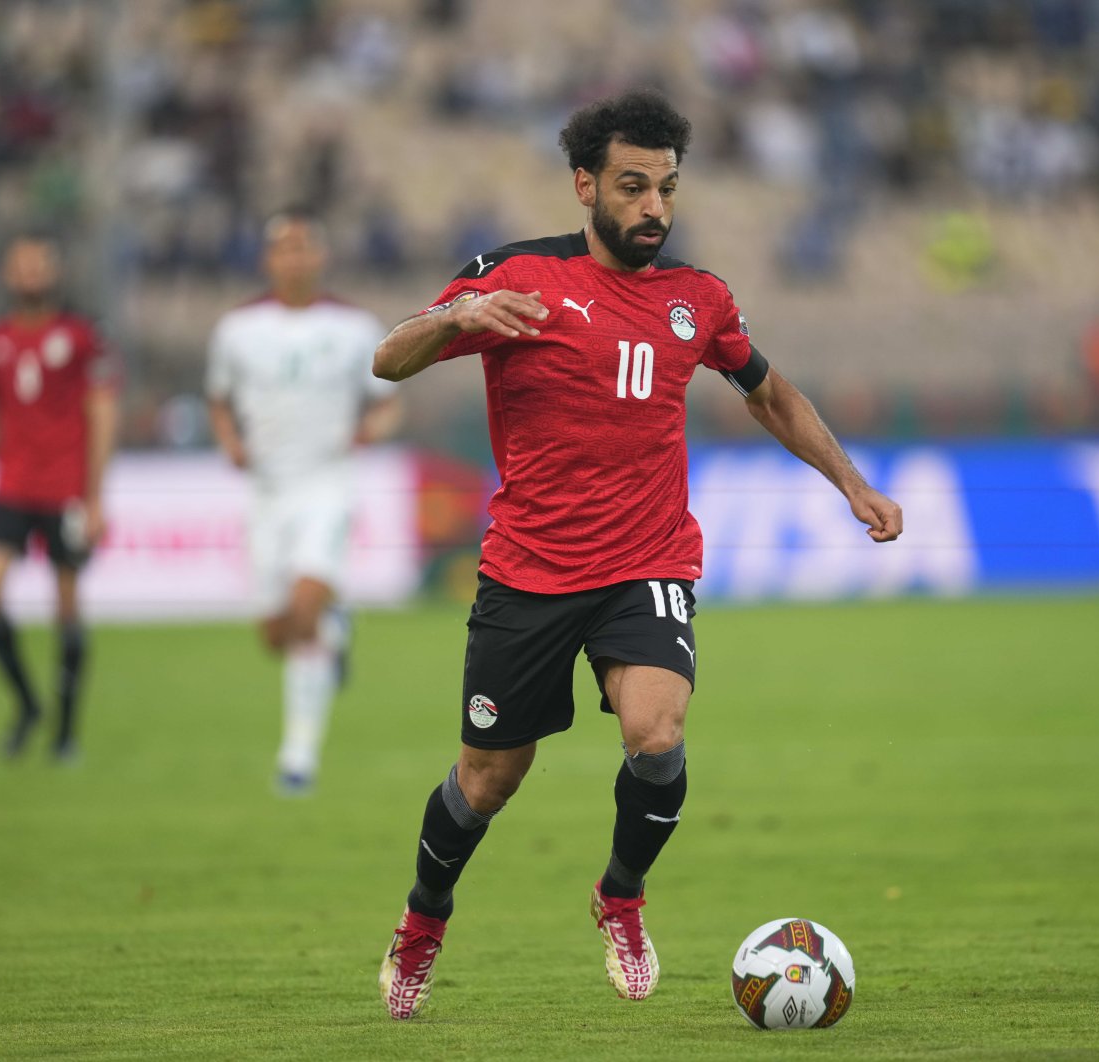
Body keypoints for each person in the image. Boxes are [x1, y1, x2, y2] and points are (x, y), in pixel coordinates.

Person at [371, 89, 903, 1020]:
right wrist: (460, 320)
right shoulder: (515, 276)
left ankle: (620, 895)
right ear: (586, 187)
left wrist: (850, 482)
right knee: (488, 780)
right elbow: (389, 359)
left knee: (656, 733)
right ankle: (423, 921)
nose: (654, 207)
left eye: (666, 187)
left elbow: (769, 394)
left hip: (647, 561)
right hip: (528, 571)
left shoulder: (699, 300)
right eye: (633, 187)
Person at [206, 207, 402, 795]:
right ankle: (337, 634)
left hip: (326, 484)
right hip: (267, 492)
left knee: (304, 612)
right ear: (269, 259)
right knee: (277, 632)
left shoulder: (355, 326)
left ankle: (298, 758)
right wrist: (230, 441)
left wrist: (371, 431)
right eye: (283, 247)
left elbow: (388, 399)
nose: (294, 257)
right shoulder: (237, 329)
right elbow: (218, 399)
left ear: (321, 256)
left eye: (304, 246)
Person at [0, 232, 119, 761]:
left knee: (67, 607)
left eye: (38, 265)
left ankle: (66, 733)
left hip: (66, 490)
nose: (29, 274)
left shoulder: (80, 337)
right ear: (7, 274)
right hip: (13, 488)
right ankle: (28, 703)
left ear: (54, 272)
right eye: (20, 266)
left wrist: (95, 497)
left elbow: (101, 413)